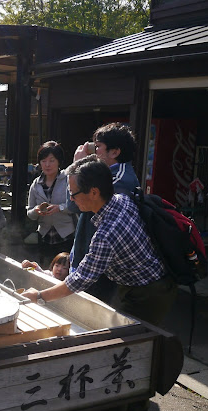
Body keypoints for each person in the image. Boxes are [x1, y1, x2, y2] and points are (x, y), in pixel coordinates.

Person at [22, 155, 177, 411]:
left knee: (125, 356)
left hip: (147, 294)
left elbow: (79, 281)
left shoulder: (107, 232)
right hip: (153, 285)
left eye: (74, 193)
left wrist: (39, 296)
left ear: (93, 192)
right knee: (139, 352)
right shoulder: (120, 200)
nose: (70, 199)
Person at [67, 123, 140, 304]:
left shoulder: (119, 179)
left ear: (115, 152)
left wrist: (77, 166)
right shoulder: (110, 174)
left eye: (98, 146)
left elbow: (72, 205)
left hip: (101, 269)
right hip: (92, 259)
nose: (94, 152)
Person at [26, 141, 77, 262]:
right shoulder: (36, 184)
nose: (47, 165)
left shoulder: (68, 179)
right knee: (45, 268)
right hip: (44, 236)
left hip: (66, 235)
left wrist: (59, 208)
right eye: (44, 161)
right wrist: (36, 211)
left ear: (59, 161)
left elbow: (76, 205)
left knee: (64, 268)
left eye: (52, 160)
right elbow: (30, 213)